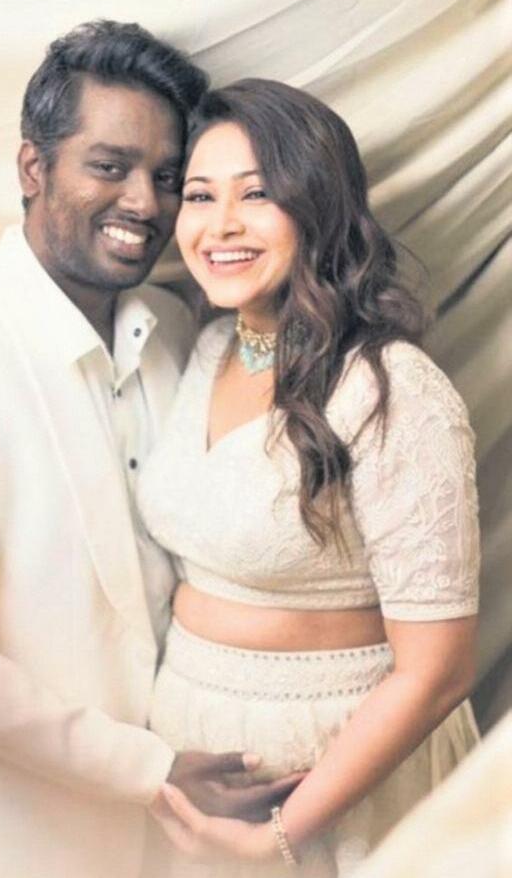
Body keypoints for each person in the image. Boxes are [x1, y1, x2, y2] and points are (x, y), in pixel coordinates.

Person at [0, 25, 295, 878]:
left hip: (200, 835)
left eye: (165, 176)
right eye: (109, 166)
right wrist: (149, 769)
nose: (145, 203)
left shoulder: (181, 329)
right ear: (34, 168)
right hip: (27, 839)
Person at [138, 78, 481, 877]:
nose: (221, 224)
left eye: (256, 194)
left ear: (317, 205)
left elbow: (437, 672)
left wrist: (281, 835)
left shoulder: (393, 390)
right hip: (191, 754)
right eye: (200, 195)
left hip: (331, 776)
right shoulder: (208, 349)